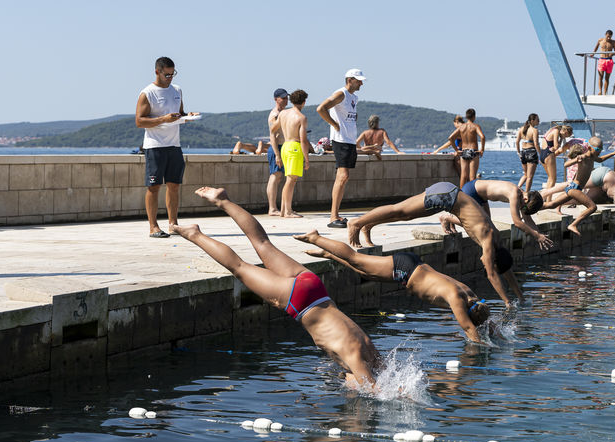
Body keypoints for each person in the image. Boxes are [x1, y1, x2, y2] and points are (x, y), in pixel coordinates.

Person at [174, 187, 380, 389]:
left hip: (315, 288)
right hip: (300, 302)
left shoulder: (368, 349)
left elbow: (370, 378)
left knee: (263, 243)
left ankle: (223, 200)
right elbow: (372, 391)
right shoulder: (359, 356)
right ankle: (194, 234)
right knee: (239, 267)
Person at [294, 231, 491, 343]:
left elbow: (480, 321)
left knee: (364, 273)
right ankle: (315, 237)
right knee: (356, 259)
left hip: (411, 269)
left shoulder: (470, 295)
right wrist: (483, 351)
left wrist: (495, 333)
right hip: (406, 269)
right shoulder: (457, 299)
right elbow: (468, 329)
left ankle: (329, 254)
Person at [347, 182, 523, 307]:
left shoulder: (496, 239)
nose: (486, 262)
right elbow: (492, 273)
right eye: (490, 261)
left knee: (405, 214)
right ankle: (356, 223)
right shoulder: (488, 240)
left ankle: (368, 224)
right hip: (446, 197)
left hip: (448, 194)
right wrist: (507, 302)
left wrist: (519, 296)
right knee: (399, 210)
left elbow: (503, 267)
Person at [135, 56, 198, 238]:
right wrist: (163, 119)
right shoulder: (147, 93)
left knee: (174, 185)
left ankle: (173, 224)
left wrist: (188, 116)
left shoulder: (177, 90)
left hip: (174, 145)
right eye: (167, 74)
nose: (170, 78)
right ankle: (153, 227)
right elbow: (139, 121)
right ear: (157, 72)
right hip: (155, 146)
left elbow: (180, 114)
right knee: (154, 187)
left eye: (173, 74)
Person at [555, 165, 615, 250]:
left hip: (607, 177)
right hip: (603, 176)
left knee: (581, 199)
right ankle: (553, 199)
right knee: (574, 186)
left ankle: (559, 203)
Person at [438, 179, 553, 250]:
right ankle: (446, 218)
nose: (522, 209)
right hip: (472, 191)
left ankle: (452, 219)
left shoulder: (522, 197)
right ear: (526, 199)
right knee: (479, 225)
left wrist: (540, 236)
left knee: (487, 223)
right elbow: (517, 222)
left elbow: (528, 220)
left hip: (481, 195)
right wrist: (536, 236)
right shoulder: (514, 194)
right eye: (523, 207)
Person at [542, 139, 615, 235]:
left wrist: (613, 153)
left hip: (573, 188)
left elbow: (601, 159)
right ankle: (573, 225)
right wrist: (576, 159)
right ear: (589, 148)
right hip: (574, 188)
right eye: (597, 151)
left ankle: (527, 208)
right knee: (592, 207)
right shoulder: (583, 157)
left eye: (600, 151)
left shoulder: (593, 157)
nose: (598, 153)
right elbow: (565, 164)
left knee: (551, 205)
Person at [317, 69, 365, 229]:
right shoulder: (341, 93)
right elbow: (321, 108)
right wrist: (334, 124)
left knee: (345, 177)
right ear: (350, 79)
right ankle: (333, 216)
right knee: (342, 176)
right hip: (341, 140)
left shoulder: (354, 97)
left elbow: (349, 115)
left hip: (350, 140)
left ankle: (336, 214)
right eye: (358, 80)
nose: (361, 83)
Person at [273, 90, 310, 218]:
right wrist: (307, 158)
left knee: (289, 179)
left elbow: (272, 130)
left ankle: (284, 210)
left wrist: (277, 152)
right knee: (291, 180)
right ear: (304, 102)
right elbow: (303, 140)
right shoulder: (301, 118)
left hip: (285, 146)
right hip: (294, 146)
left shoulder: (283, 113)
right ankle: (288, 211)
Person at [446, 108, 485, 188]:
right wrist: (482, 150)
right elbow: (482, 137)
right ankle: (472, 196)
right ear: (474, 117)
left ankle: (462, 194)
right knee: (472, 177)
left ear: (466, 117)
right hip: (473, 151)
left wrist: (456, 150)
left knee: (463, 176)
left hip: (463, 152)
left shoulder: (461, 127)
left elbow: (450, 138)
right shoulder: (475, 126)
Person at [266, 88, 290, 216]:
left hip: (284, 146)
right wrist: (277, 155)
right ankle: (272, 208)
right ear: (276, 99)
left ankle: (279, 207)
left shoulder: (284, 113)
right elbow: (272, 136)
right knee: (275, 176)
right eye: (283, 98)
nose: (286, 100)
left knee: (279, 176)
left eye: (287, 98)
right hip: (277, 148)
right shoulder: (275, 115)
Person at [516, 113, 541, 193]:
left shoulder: (521, 129)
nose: (539, 121)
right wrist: (541, 154)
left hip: (523, 152)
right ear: (532, 121)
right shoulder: (534, 130)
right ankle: (526, 194)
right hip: (531, 152)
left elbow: (517, 142)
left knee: (526, 175)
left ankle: (517, 188)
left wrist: (519, 153)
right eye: (537, 120)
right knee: (530, 177)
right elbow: (536, 144)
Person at [593, 30, 615, 95]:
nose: (609, 38)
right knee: (600, 76)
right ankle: (600, 91)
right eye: (608, 36)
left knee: (607, 78)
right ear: (605, 35)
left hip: (609, 60)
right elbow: (596, 47)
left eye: (610, 37)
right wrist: (593, 54)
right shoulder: (600, 40)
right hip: (602, 60)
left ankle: (605, 92)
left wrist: (612, 54)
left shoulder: (613, 42)